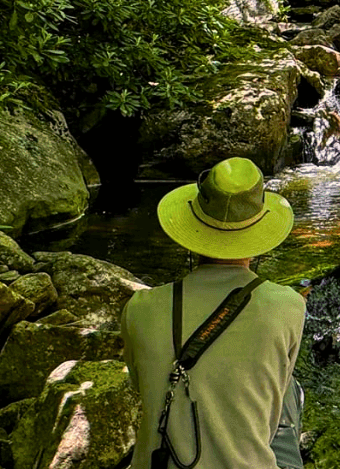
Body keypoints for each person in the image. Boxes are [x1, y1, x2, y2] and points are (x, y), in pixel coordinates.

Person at [122, 157, 307, 469]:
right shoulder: (290, 305)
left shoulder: (139, 308)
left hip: (160, 462)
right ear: (259, 233)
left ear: (192, 232)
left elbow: (141, 385)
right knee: (290, 389)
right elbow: (272, 408)